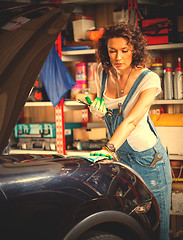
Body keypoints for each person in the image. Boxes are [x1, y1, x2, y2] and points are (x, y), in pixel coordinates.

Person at [88, 23, 172, 240]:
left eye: (124, 50)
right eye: (112, 50)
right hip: (120, 157)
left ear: (135, 49)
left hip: (149, 161)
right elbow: (100, 104)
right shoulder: (101, 72)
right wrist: (96, 109)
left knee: (155, 228)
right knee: (129, 225)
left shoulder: (149, 79)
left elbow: (132, 120)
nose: (118, 57)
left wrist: (108, 148)